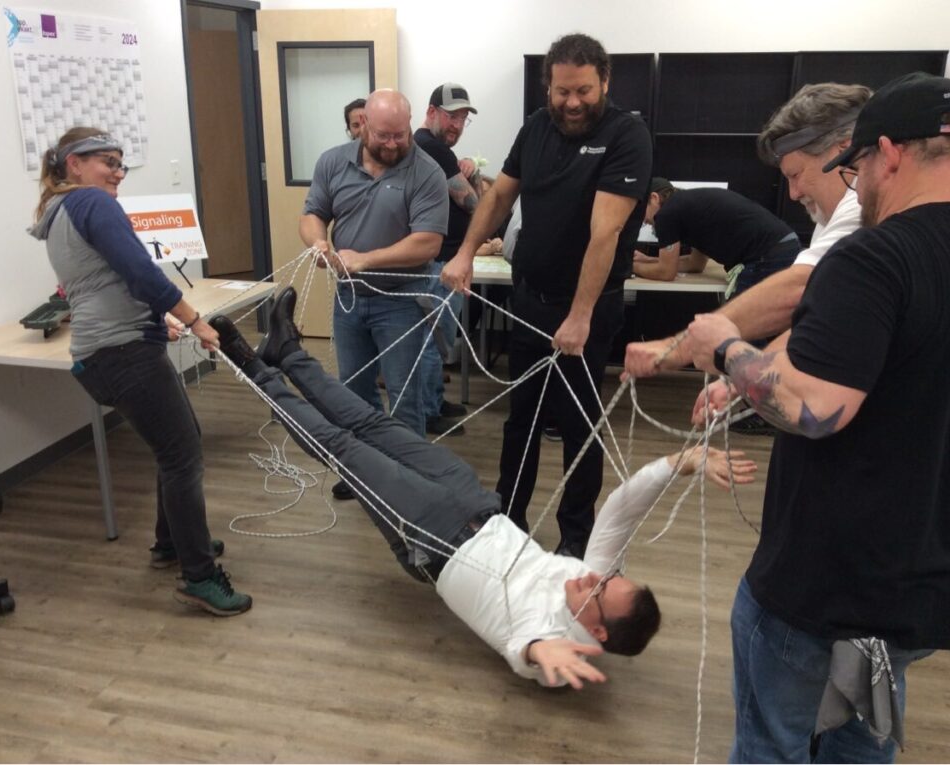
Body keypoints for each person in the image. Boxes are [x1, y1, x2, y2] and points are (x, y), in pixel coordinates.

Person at [211, 287, 758, 687]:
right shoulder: (592, 581)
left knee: (341, 447)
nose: (591, 575)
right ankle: (289, 351)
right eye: (606, 577)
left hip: (435, 538)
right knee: (372, 425)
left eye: (596, 590)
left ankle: (250, 367)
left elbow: (521, 647)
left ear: (597, 633)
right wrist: (679, 462)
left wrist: (540, 653)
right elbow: (619, 510)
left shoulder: (554, 639)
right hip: (473, 501)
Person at [685, 72, 950, 762]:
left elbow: (815, 408)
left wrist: (726, 348)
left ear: (887, 152)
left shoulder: (874, 255)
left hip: (822, 589)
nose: (858, 188)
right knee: (861, 745)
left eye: (858, 169)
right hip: (913, 588)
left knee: (773, 745)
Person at [442, 34, 653, 558]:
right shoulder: (536, 127)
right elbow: (499, 196)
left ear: (604, 82)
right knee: (523, 419)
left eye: (583, 90)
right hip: (530, 300)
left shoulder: (626, 135)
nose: (572, 102)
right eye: (562, 92)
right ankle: (508, 518)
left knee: (579, 424)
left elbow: (605, 232)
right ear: (548, 88)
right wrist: (465, 252)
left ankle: (575, 538)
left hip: (587, 308)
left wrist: (580, 315)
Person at [28, 127, 251, 616]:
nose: (117, 172)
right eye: (106, 161)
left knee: (178, 445)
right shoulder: (90, 202)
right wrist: (193, 319)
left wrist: (156, 319)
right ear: (74, 164)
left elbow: (103, 280)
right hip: (121, 354)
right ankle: (199, 577)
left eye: (120, 163)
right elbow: (139, 271)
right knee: (182, 456)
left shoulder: (60, 210)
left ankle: (171, 543)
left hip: (108, 352)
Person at [624, 82, 871, 380]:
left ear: (844, 151)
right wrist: (742, 378)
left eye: (796, 174)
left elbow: (798, 289)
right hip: (777, 249)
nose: (793, 194)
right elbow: (808, 316)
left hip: (766, 256)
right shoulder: (829, 216)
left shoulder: (861, 208)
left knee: (746, 339)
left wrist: (674, 349)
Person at [301, 89, 449, 501]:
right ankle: (363, 473)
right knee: (353, 391)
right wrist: (318, 243)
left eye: (401, 134)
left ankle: (408, 485)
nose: (393, 144)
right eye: (384, 135)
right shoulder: (333, 161)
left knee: (405, 396)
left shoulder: (427, 172)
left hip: (403, 300)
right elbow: (313, 214)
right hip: (350, 299)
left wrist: (365, 259)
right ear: (363, 124)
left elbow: (428, 243)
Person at [414, 82, 480, 435]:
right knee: (433, 341)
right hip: (439, 266)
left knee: (436, 340)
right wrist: (474, 176)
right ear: (431, 112)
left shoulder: (430, 148)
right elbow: (473, 203)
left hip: (441, 262)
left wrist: (467, 169)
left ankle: (434, 401)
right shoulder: (432, 148)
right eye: (451, 116)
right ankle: (427, 412)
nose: (457, 124)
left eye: (463, 118)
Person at [632, 181, 801, 297]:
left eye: (640, 209)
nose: (644, 220)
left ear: (654, 198)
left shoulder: (666, 214)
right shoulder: (689, 208)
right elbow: (695, 265)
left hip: (766, 254)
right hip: (784, 246)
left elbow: (666, 273)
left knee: (743, 326)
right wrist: (650, 260)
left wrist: (629, 266)